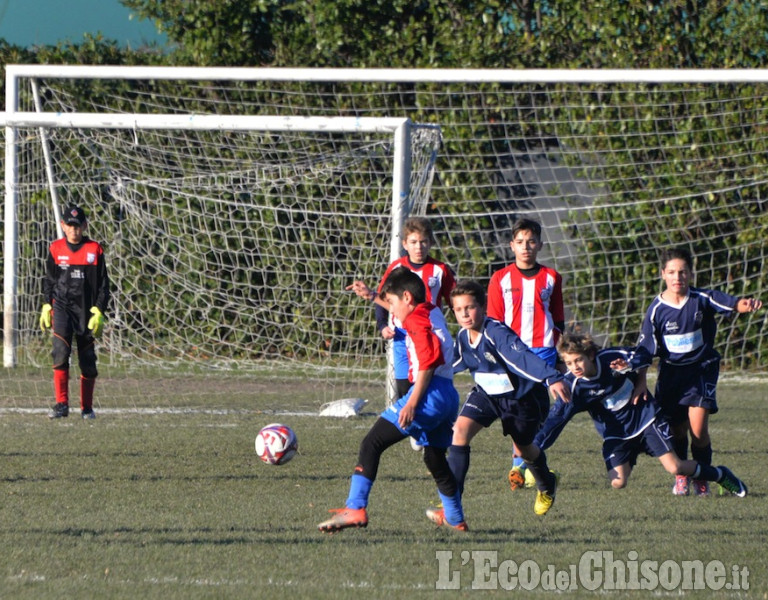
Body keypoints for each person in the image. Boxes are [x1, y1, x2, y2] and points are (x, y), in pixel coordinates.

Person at [318, 267, 467, 532]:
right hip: (448, 396)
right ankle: (455, 518)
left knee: (372, 443)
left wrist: (411, 403)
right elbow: (401, 307)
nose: (392, 310)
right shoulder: (430, 310)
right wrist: (375, 296)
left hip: (428, 393)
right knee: (434, 458)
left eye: (394, 303)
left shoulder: (415, 321)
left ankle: (355, 508)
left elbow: (428, 363)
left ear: (407, 298)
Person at [425, 280, 569, 527]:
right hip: (487, 395)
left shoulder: (496, 332)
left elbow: (521, 358)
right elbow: (452, 363)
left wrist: (551, 377)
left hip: (521, 400)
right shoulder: (462, 336)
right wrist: (425, 376)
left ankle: (546, 482)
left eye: (470, 307)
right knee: (459, 431)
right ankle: (451, 502)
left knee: (525, 449)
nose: (465, 314)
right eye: (459, 310)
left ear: (482, 307)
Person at [534, 331, 747, 497]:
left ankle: (720, 475)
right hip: (617, 433)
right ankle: (631, 454)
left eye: (578, 360)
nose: (575, 367)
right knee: (618, 482)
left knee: (675, 467)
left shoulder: (611, 358)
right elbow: (557, 419)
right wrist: (535, 447)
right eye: (569, 363)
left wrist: (630, 366)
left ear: (590, 355)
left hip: (646, 420)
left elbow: (643, 353)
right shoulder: (573, 386)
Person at [636, 247, 762, 496]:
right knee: (676, 431)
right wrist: (640, 381)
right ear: (663, 274)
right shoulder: (656, 311)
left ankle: (702, 476)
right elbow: (644, 351)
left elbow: (725, 301)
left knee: (698, 430)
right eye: (671, 272)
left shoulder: (700, 298)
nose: (677, 277)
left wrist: (741, 304)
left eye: (682, 272)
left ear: (690, 274)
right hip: (671, 376)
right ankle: (685, 474)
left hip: (700, 372)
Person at [346, 216, 456, 450]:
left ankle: (426, 428)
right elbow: (382, 297)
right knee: (404, 384)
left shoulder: (440, 270)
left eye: (424, 242)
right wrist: (381, 325)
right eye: (414, 242)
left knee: (425, 381)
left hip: (425, 336)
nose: (419, 247)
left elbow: (454, 300)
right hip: (400, 337)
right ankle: (416, 428)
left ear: (430, 243)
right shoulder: (396, 267)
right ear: (405, 244)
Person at [486, 218, 565, 489]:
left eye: (531, 241)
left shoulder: (552, 278)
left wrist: (559, 353)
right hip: (511, 355)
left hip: (542, 351)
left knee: (538, 411)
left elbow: (558, 319)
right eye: (520, 242)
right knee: (519, 409)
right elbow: (493, 321)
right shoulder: (500, 278)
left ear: (540, 244)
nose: (526, 247)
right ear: (512, 246)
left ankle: (523, 464)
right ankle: (520, 466)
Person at [39, 205, 110, 419]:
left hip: (86, 311)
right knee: (60, 352)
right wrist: (46, 304)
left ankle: (86, 408)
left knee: (87, 359)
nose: (74, 230)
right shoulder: (55, 249)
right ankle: (61, 404)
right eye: (70, 226)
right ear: (63, 225)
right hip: (62, 308)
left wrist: (99, 309)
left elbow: (104, 286)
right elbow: (49, 280)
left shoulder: (95, 250)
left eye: (78, 226)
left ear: (85, 226)